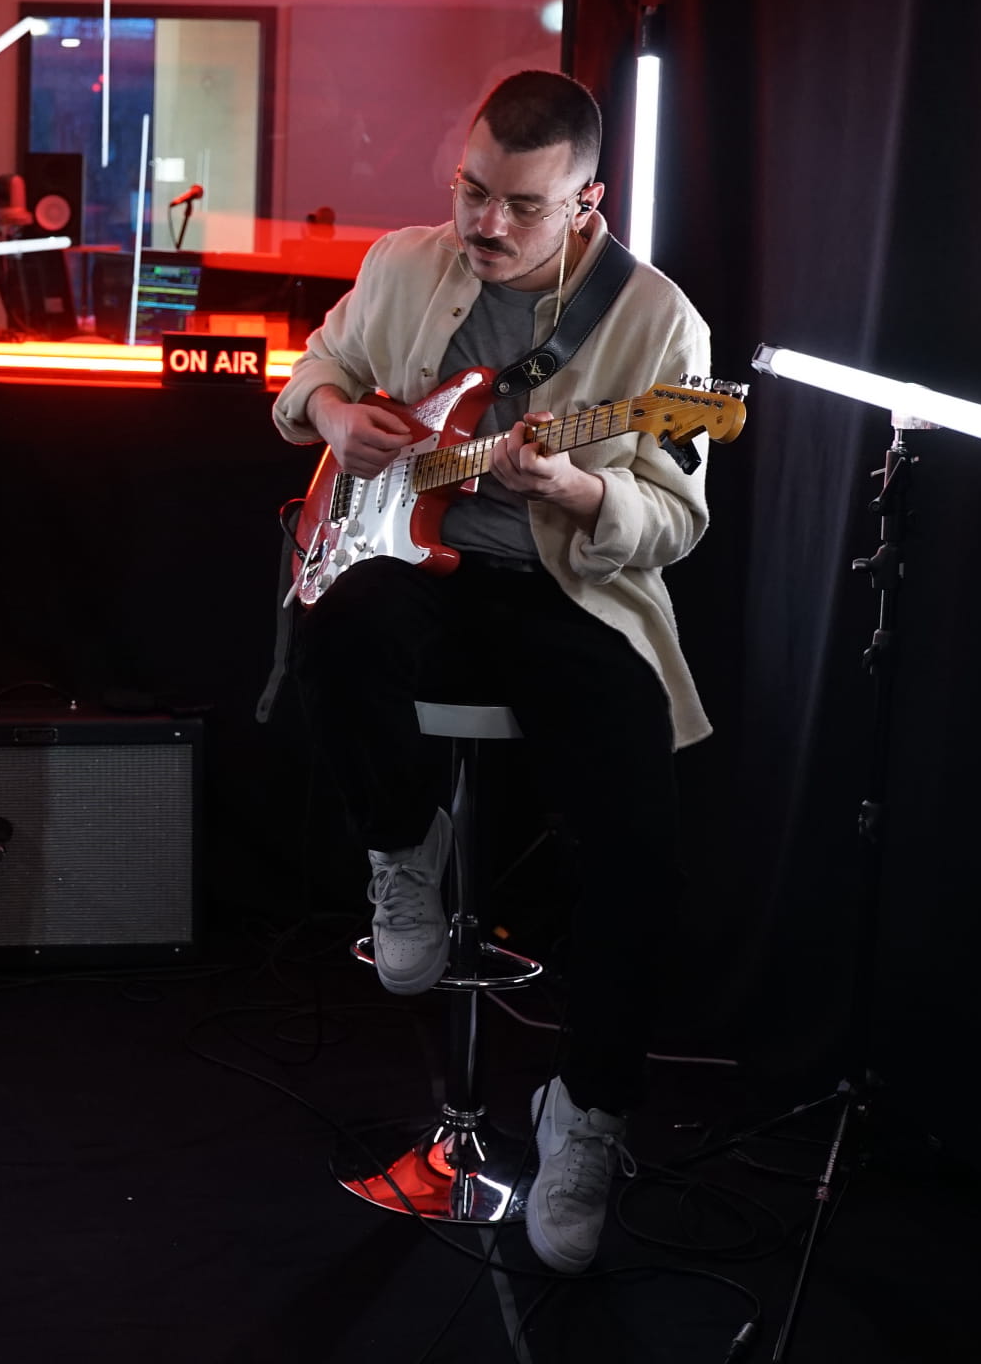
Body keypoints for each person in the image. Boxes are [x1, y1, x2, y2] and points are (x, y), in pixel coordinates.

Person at [271, 70, 713, 1276]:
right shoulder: (403, 263)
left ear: (587, 202)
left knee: (638, 840)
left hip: (567, 587)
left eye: (523, 204)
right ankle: (400, 848)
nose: (486, 222)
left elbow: (679, 518)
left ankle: (588, 1109)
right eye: (473, 190)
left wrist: (583, 487)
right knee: (336, 621)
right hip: (416, 568)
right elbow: (311, 374)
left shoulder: (660, 322)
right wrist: (333, 415)